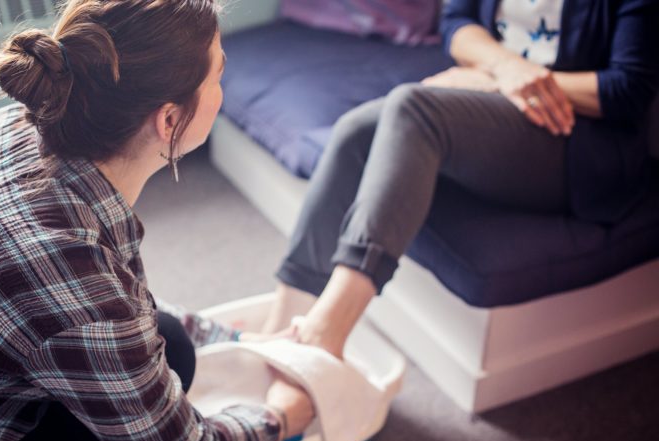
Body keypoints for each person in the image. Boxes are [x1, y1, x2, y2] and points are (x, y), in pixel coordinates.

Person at [0, 1, 314, 441]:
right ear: (170, 119)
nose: (225, 90)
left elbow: (121, 311)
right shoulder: (67, 273)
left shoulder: (13, 126)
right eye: (219, 75)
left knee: (171, 340)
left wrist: (240, 340)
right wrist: (283, 415)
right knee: (170, 360)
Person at [251, 0, 659, 358]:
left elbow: (627, 90)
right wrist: (505, 67)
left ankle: (327, 333)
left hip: (578, 139)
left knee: (414, 108)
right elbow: (457, 20)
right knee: (358, 129)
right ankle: (282, 324)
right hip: (500, 94)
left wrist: (509, 81)